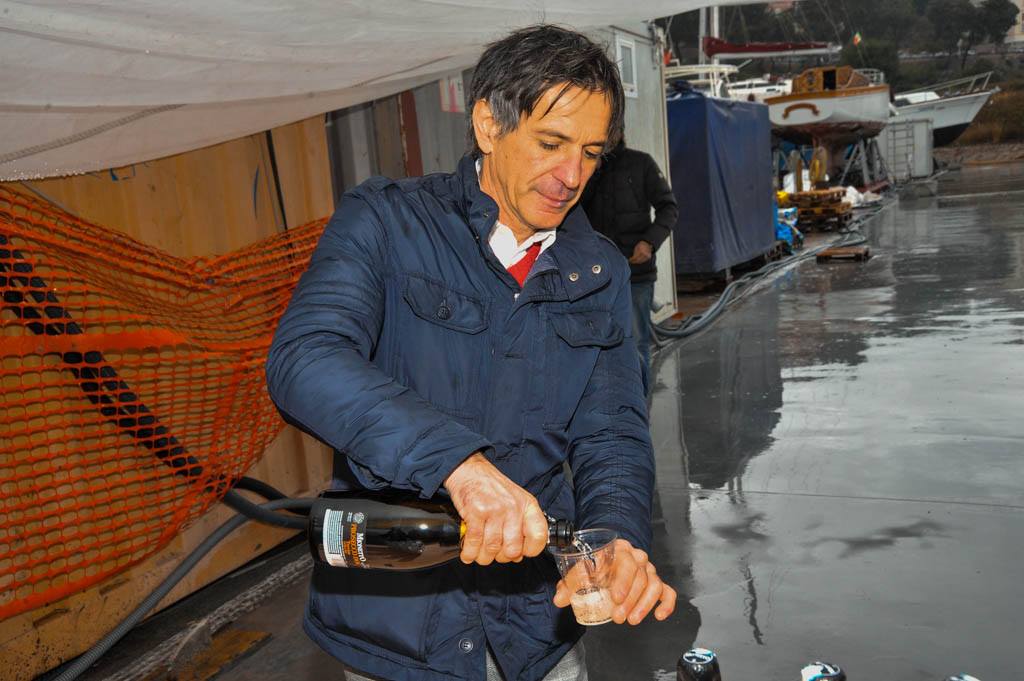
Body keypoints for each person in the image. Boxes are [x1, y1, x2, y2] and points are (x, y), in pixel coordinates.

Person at [266, 25, 675, 681]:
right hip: (398, 630)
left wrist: (616, 539)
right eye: (551, 143)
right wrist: (457, 463)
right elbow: (305, 359)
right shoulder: (388, 222)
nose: (572, 176)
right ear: (488, 124)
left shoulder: (597, 269)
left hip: (535, 625)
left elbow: (612, 431)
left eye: (591, 153)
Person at [581, 140, 678, 380]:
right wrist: (593, 171)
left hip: (636, 273)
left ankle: (639, 402)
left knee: (634, 344)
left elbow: (669, 208)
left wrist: (649, 242)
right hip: (594, 276)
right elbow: (573, 210)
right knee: (593, 346)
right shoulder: (585, 165)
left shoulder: (641, 163)